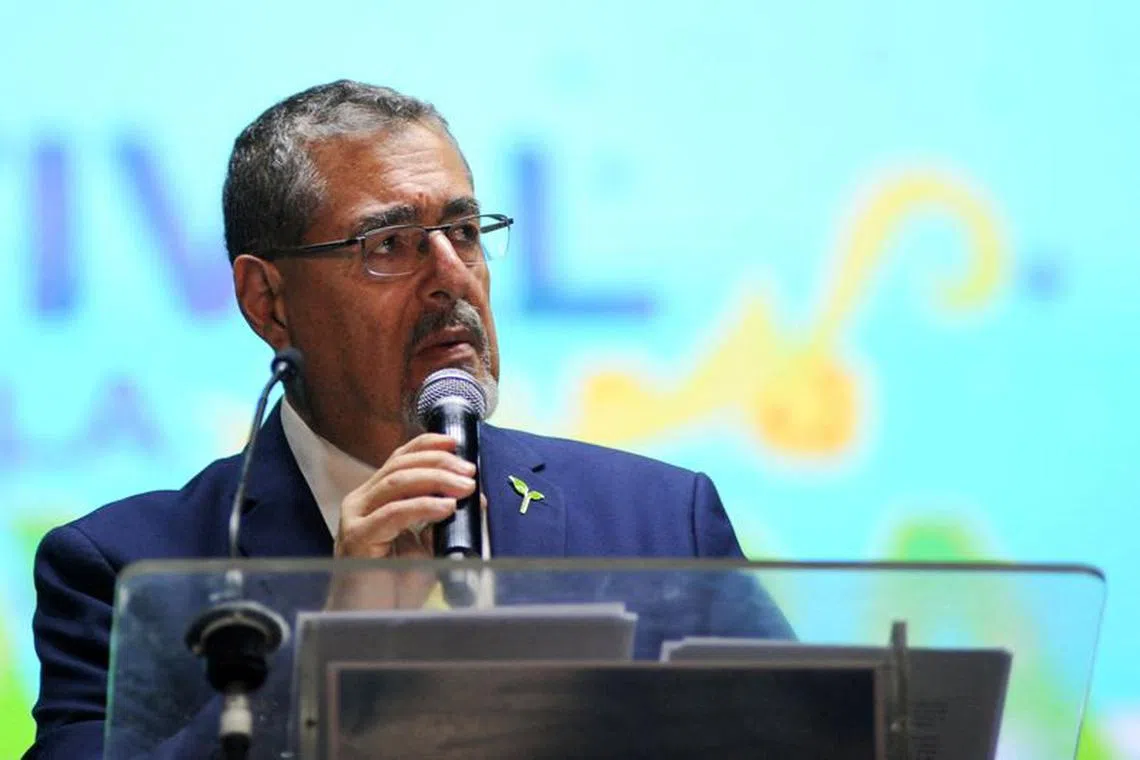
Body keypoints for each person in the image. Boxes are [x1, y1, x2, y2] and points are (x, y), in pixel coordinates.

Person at [26, 80, 789, 759]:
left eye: (463, 231)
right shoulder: (124, 571)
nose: (452, 276)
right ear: (269, 302)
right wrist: (328, 655)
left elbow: (821, 734)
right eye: (388, 244)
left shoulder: (659, 522)